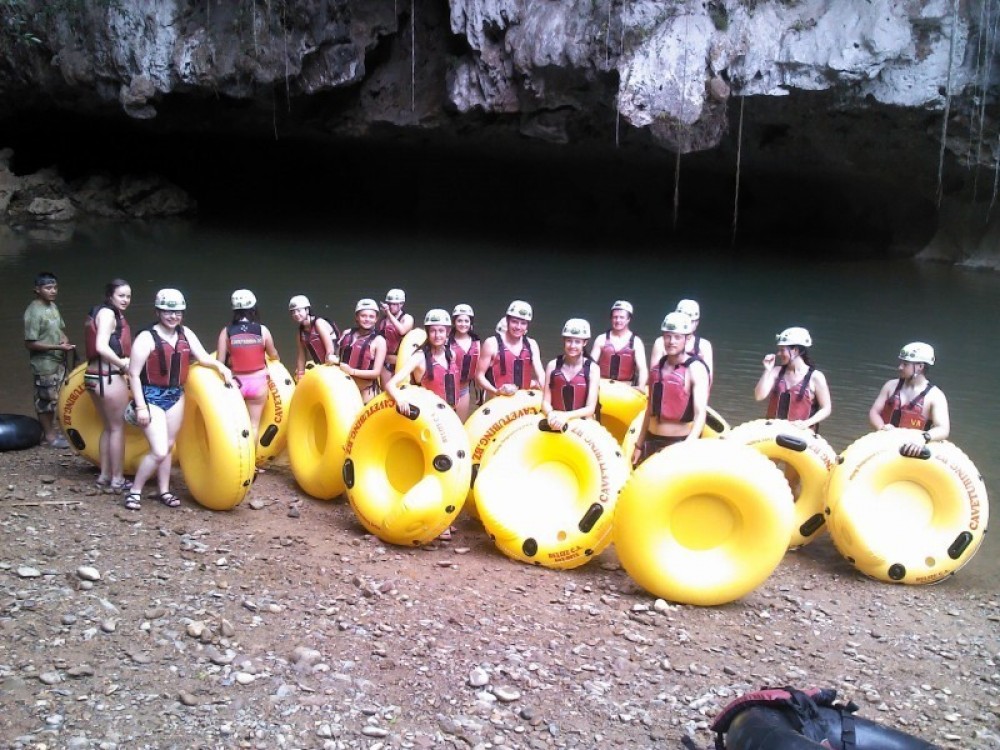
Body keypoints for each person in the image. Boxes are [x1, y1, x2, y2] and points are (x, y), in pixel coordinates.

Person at [124, 289, 231, 511]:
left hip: (175, 395)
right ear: (158, 312)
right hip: (151, 396)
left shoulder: (185, 334)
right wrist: (141, 406)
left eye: (178, 312)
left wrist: (221, 367)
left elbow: (202, 357)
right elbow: (134, 374)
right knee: (159, 450)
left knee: (170, 445)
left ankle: (164, 490)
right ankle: (135, 491)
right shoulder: (146, 337)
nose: (173, 316)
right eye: (168, 312)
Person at [631, 311, 710, 465]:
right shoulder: (656, 369)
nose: (671, 341)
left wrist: (688, 444)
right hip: (651, 439)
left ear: (687, 339)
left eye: (677, 337)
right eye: (668, 336)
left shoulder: (696, 369)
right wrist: (639, 445)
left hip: (679, 442)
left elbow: (700, 413)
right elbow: (650, 410)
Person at [84, 278, 133, 492]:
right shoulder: (108, 314)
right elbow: (101, 346)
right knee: (116, 428)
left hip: (93, 377)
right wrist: (123, 364)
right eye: (121, 295)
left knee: (108, 428)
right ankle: (117, 479)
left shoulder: (100, 312)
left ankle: (104, 475)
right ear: (110, 295)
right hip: (108, 377)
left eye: (129, 296)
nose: (126, 300)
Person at [217, 289, 279, 440]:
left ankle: (236, 460)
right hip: (258, 383)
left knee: (236, 426)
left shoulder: (226, 332)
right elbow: (274, 355)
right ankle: (252, 463)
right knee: (254, 425)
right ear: (253, 308)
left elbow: (219, 361)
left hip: (236, 383)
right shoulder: (262, 330)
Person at [868, 342, 949, 457]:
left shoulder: (935, 396)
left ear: (920, 367)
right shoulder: (890, 386)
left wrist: (923, 438)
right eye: (900, 363)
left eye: (905, 364)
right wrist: (882, 428)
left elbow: (943, 428)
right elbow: (874, 412)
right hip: (885, 445)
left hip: (914, 449)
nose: (900, 367)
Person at [23, 271, 75, 448]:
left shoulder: (52, 307)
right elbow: (30, 343)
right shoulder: (33, 312)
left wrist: (63, 338)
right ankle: (50, 437)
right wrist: (58, 347)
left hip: (58, 361)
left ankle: (56, 430)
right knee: (45, 400)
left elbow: (59, 329)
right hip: (44, 364)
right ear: (37, 290)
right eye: (48, 288)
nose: (53, 291)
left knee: (61, 396)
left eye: (54, 287)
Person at [386, 309, 465, 416]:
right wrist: (400, 399)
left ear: (448, 331)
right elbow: (390, 384)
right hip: (430, 416)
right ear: (427, 332)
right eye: (433, 331)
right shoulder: (419, 357)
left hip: (450, 413)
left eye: (441, 331)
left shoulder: (451, 354)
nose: (437, 335)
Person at [754, 326, 832, 432]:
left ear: (795, 350)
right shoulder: (775, 372)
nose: (779, 354)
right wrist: (767, 370)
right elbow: (759, 396)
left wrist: (806, 424)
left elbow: (826, 408)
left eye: (782, 350)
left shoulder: (816, 377)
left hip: (801, 434)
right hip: (772, 432)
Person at [475, 300, 545, 399]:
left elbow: (541, 374)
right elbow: (479, 376)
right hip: (497, 400)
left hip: (522, 401)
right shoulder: (491, 343)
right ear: (507, 320)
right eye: (514, 322)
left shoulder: (532, 344)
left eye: (523, 323)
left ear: (527, 325)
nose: (518, 327)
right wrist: (497, 391)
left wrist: (545, 391)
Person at [542, 318, 601, 431]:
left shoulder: (593, 369)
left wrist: (565, 416)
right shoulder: (552, 366)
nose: (572, 346)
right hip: (555, 419)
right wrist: (550, 414)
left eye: (577, 342)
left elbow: (590, 408)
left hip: (581, 424)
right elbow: (545, 401)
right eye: (569, 341)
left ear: (585, 343)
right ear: (564, 341)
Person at [589, 300, 648, 390]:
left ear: (628, 319)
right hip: (602, 384)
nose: (618, 320)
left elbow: (642, 369)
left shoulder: (636, 342)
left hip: (626, 386)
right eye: (615, 317)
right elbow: (590, 365)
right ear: (611, 319)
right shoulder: (601, 339)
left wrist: (641, 386)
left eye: (622, 317)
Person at [649, 298, 714, 379]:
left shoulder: (704, 346)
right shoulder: (660, 342)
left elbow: (709, 378)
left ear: (697, 322)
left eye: (690, 321)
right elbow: (653, 374)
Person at [338, 298, 387, 403]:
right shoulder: (347, 333)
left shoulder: (379, 341)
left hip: (366, 390)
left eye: (371, 316)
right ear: (357, 317)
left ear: (376, 319)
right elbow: (338, 357)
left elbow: (376, 372)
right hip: (344, 387)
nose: (367, 319)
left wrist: (352, 371)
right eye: (363, 316)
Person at [288, 294, 339, 380]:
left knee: (330, 358)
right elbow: (301, 355)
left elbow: (330, 350)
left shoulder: (319, 323)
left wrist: (325, 371)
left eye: (299, 311)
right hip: (322, 366)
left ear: (307, 310)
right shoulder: (300, 333)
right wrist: (300, 374)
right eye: (293, 312)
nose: (296, 314)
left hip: (335, 363)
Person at [377, 288, 415, 388]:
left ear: (401, 304)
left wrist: (388, 314)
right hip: (386, 361)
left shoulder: (407, 318)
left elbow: (402, 330)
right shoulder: (383, 321)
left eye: (394, 304)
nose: (390, 307)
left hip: (401, 360)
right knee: (386, 390)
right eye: (389, 304)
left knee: (401, 389)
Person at [449, 303, 480, 420]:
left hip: (464, 389)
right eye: (459, 321)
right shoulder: (447, 342)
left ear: (471, 323)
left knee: (461, 423)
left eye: (466, 321)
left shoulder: (476, 342)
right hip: (447, 389)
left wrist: (479, 393)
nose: (463, 324)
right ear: (454, 322)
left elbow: (478, 369)